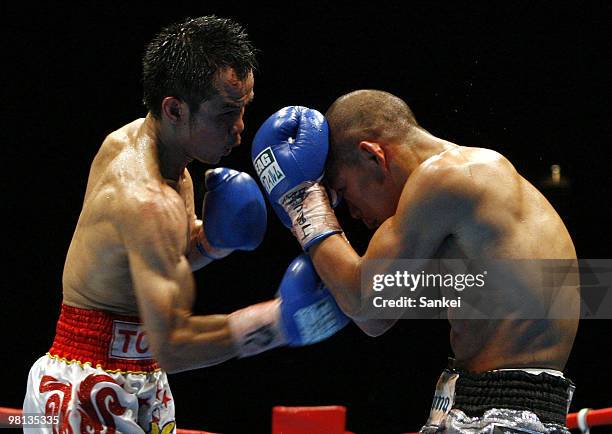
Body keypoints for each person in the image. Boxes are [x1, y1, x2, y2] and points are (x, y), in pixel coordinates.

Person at [23, 16, 347, 434]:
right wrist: (276, 324)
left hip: (143, 373)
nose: (241, 127)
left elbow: (142, 261)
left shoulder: (157, 156)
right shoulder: (143, 198)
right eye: (227, 112)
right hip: (86, 383)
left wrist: (208, 243)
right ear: (174, 109)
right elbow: (173, 346)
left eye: (244, 108)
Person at [251, 92, 580, 433]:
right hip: (491, 405)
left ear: (373, 156)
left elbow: (368, 307)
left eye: (344, 190)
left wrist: (304, 205)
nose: (351, 213)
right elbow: (378, 313)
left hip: (500, 415)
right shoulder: (470, 190)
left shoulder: (446, 177)